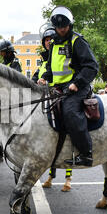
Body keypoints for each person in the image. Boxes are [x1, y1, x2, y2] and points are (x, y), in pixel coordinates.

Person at [39, 6, 99, 167]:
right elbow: (52, 68)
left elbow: (92, 66)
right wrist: (45, 77)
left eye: (64, 27)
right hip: (59, 88)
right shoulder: (53, 45)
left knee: (70, 112)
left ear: (69, 25)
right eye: (58, 27)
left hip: (77, 87)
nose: (61, 30)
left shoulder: (77, 41)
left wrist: (76, 84)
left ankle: (86, 154)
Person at [34, 27, 73, 190]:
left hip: (63, 94)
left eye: (51, 39)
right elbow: (36, 77)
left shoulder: (64, 51)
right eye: (46, 40)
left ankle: (68, 178)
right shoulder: (44, 60)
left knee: (67, 128)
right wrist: (40, 80)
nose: (48, 42)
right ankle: (51, 175)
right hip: (46, 99)